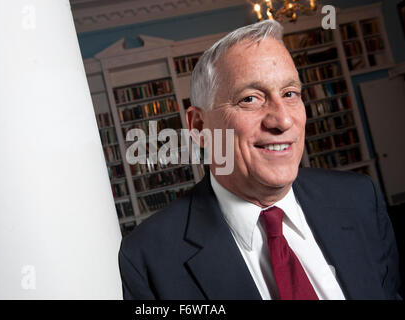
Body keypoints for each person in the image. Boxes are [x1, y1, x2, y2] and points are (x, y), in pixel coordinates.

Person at [118, 20, 401, 300]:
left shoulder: (359, 199)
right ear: (200, 127)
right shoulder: (148, 257)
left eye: (290, 94)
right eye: (250, 99)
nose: (283, 120)